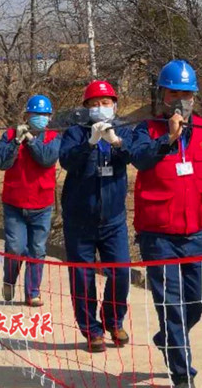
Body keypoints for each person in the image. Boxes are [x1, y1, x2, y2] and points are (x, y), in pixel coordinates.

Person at [130, 59, 202, 388]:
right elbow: (140, 157)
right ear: (162, 95)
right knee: (172, 305)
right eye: (174, 93)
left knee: (199, 298)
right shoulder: (145, 131)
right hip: (158, 236)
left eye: (187, 93)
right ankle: (183, 375)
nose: (181, 100)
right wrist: (168, 138)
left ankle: (168, 337)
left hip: (195, 234)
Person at [59, 80, 133, 353]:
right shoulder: (75, 134)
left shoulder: (124, 130)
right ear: (86, 108)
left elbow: (132, 156)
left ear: (114, 105)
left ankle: (113, 320)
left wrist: (115, 141)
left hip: (113, 219)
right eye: (94, 104)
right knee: (82, 278)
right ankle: (91, 330)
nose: (100, 108)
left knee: (121, 272)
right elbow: (66, 161)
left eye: (105, 103)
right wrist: (90, 143)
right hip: (80, 219)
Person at [0, 94, 61, 307]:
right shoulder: (11, 135)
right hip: (15, 202)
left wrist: (31, 141)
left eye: (43, 114)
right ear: (26, 115)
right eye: (35, 114)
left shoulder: (53, 138)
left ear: (50, 117)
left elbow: (46, 159)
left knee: (37, 249)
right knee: (15, 247)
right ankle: (9, 279)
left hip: (42, 204)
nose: (39, 118)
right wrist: (15, 142)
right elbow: (0, 162)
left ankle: (33, 292)